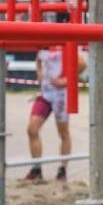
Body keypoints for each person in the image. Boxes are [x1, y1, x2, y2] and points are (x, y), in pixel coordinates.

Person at [21, 46, 87, 183]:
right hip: (45, 94)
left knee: (63, 133)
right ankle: (36, 168)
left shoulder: (66, 43)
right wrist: (39, 72)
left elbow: (82, 63)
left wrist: (66, 80)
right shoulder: (43, 44)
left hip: (61, 95)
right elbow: (38, 60)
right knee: (32, 129)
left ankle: (62, 170)